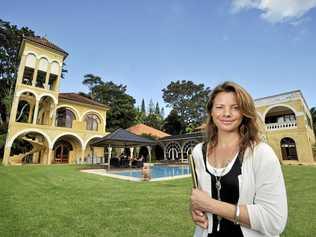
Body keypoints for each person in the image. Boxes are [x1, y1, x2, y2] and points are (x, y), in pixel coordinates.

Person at [190, 81, 287, 237]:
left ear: (244, 113)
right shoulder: (198, 152)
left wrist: (212, 205)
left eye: (235, 108)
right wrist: (195, 208)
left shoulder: (261, 153)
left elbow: (274, 220)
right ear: (211, 112)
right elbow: (200, 195)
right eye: (219, 107)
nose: (226, 113)